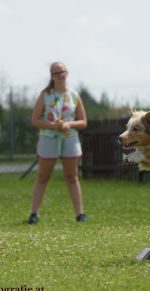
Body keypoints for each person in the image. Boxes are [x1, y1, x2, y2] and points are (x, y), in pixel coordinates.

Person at [28, 61, 88, 224]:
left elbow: (83, 121)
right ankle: (34, 213)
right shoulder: (45, 95)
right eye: (57, 72)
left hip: (70, 138)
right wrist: (52, 126)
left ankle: (80, 214)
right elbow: (35, 120)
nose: (60, 74)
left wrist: (68, 124)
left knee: (71, 177)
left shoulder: (74, 95)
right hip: (48, 138)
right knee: (43, 177)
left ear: (67, 73)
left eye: (63, 71)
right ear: (52, 76)